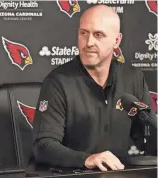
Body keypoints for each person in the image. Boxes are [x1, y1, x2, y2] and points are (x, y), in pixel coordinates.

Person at [32, 5, 156, 172]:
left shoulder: (133, 79)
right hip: (71, 175)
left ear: (117, 41)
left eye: (99, 35)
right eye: (84, 33)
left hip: (116, 174)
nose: (89, 42)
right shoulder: (57, 82)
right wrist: (87, 159)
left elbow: (147, 137)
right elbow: (43, 146)